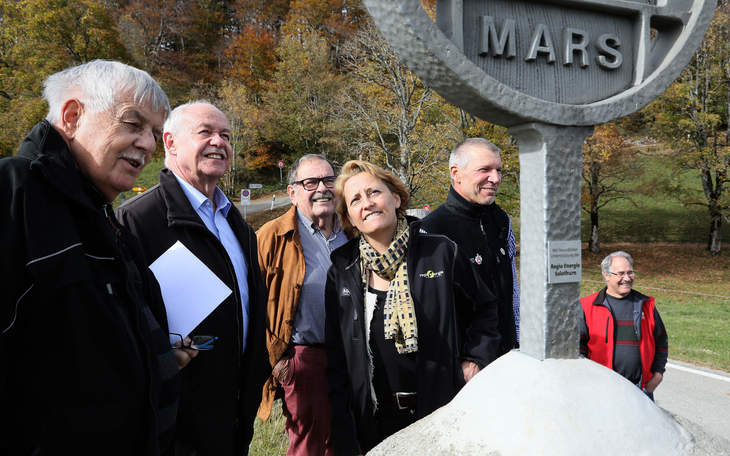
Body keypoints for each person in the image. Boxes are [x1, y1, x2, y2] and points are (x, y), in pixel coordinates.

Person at [0, 60, 183, 455]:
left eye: (153, 133)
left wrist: (159, 358)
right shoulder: (13, 194)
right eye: (133, 124)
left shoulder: (103, 219)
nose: (150, 145)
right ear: (72, 116)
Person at [116, 101, 268, 455]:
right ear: (170, 143)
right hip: (176, 422)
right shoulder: (136, 222)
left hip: (233, 415)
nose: (219, 142)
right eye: (206, 133)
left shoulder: (237, 225)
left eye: (226, 135)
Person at [325, 160, 501, 455]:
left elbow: (486, 309)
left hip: (439, 410)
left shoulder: (441, 251)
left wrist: (475, 360)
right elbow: (337, 356)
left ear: (396, 199)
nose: (367, 204)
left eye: (374, 193)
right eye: (355, 200)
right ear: (349, 218)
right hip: (374, 420)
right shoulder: (342, 269)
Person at [256, 154, 348, 455]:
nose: (322, 188)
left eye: (329, 180)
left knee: (346, 437)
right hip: (305, 358)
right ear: (292, 192)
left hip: (353, 355)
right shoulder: (272, 236)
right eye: (311, 182)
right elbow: (253, 302)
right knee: (308, 443)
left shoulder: (353, 231)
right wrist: (279, 362)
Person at [421, 138, 519, 355]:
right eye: (485, 169)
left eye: (498, 170)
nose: (495, 178)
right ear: (456, 173)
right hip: (464, 364)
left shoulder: (501, 220)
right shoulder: (432, 230)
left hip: (508, 356)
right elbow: (433, 310)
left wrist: (518, 339)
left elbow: (512, 287)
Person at [580, 251, 668, 400]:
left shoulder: (646, 305)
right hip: (601, 390)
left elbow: (661, 342)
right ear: (606, 275)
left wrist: (658, 374)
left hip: (641, 389)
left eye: (630, 272)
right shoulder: (587, 306)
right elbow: (578, 349)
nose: (627, 278)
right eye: (621, 273)